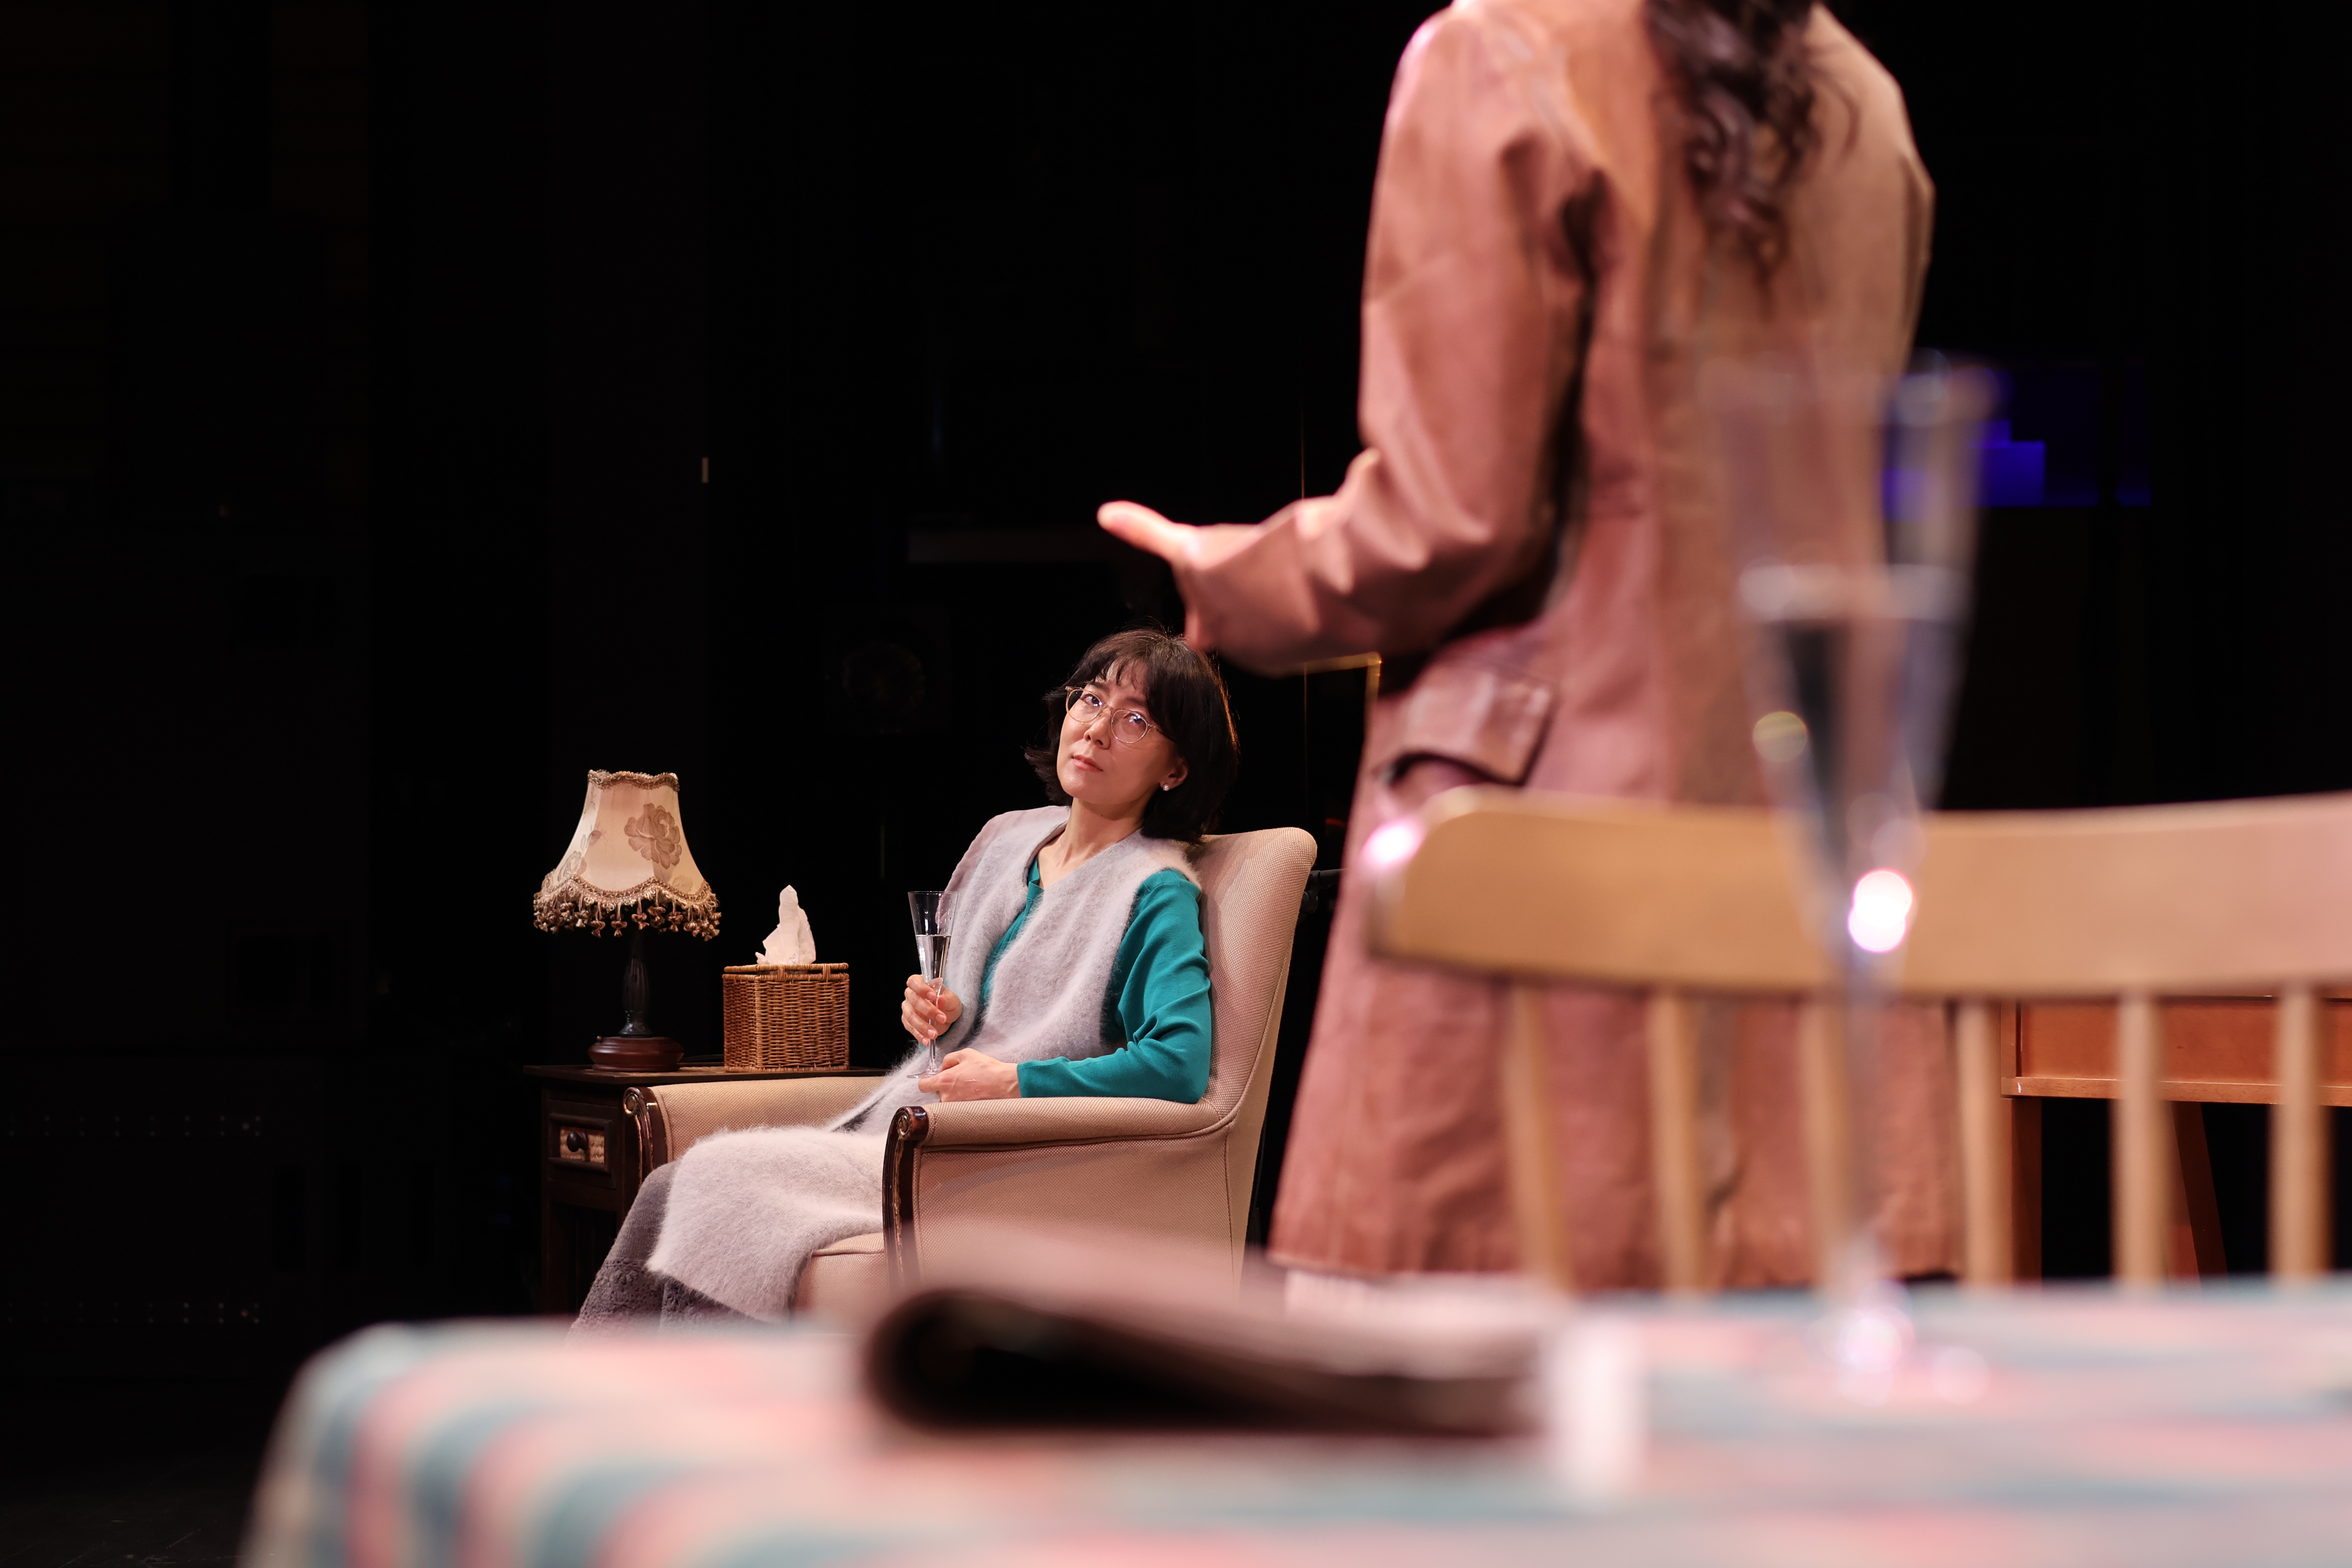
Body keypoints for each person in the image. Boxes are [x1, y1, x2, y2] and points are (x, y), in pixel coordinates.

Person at [1100, 0, 1951, 1289]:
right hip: (1804, 814)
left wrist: (1230, 581)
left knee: (1485, 1352)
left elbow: (1451, 517)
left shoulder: (1497, 53)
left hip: (1549, 829)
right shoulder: (1861, 95)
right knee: (1759, 1345)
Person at [575, 628, 1241, 1327]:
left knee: (717, 1180)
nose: (1098, 729)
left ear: (1176, 769)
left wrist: (1017, 1081)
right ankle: (604, 1382)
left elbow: (1178, 1063)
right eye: (1092, 699)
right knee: (670, 1188)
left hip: (993, 1155)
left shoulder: (1156, 891)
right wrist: (940, 1011)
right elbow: (983, 1009)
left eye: (1136, 721)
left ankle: (696, 1389)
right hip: (919, 1124)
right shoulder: (1012, 838)